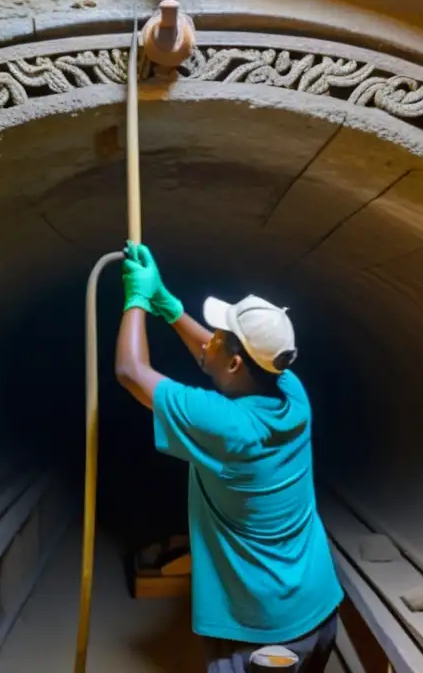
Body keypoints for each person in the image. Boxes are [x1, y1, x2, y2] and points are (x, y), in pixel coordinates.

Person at [114, 242, 344, 673]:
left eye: (218, 335)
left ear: (236, 362)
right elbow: (217, 354)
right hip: (318, 605)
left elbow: (131, 372)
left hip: (265, 633)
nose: (209, 338)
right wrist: (169, 306)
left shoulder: (229, 427)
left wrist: (136, 301)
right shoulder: (291, 392)